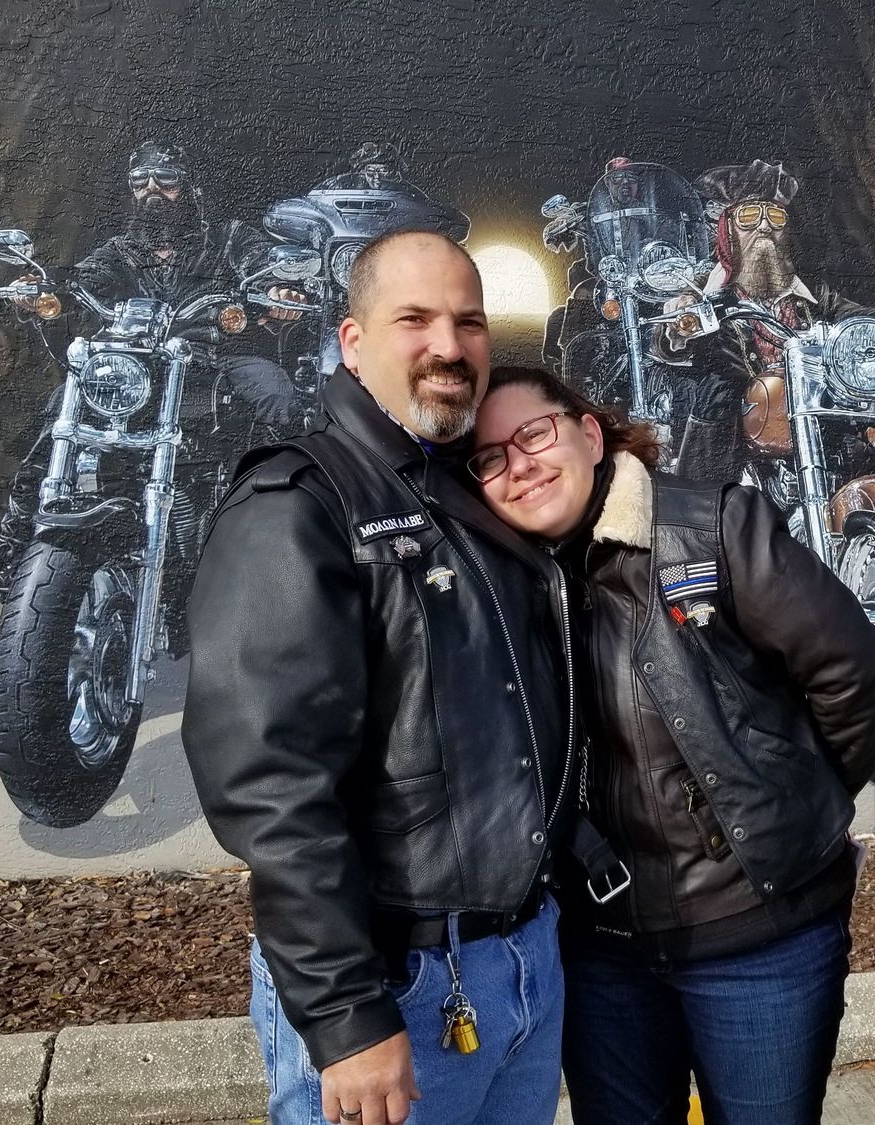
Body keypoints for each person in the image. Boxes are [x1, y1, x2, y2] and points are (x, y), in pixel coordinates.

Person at [181, 232, 579, 1125]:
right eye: (415, 320)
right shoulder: (297, 508)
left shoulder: (480, 492)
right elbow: (272, 787)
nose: (449, 345)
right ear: (352, 342)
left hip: (523, 963)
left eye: (469, 322)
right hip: (397, 987)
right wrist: (346, 1014)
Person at [467, 365, 875, 1124]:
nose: (520, 465)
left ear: (589, 434)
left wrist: (784, 809)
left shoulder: (714, 527)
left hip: (760, 938)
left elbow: (852, 672)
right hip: (600, 951)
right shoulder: (498, 584)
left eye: (533, 434)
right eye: (490, 457)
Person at [0, 140, 308, 592]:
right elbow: (83, 279)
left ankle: (298, 528)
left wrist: (280, 292)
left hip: (220, 356)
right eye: (140, 181)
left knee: (278, 396)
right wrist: (42, 289)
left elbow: (264, 269)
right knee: (60, 412)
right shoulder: (121, 250)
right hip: (145, 365)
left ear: (189, 187)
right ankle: (11, 547)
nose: (152, 191)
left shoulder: (228, 238)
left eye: (166, 180)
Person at [658, 159, 867, 484]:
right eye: (750, 216)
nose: (764, 226)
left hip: (811, 403)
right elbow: (671, 334)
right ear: (729, 230)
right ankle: (705, 502)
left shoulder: (812, 291)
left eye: (775, 217)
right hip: (741, 421)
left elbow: (853, 314)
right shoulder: (706, 288)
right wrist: (681, 325)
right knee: (718, 393)